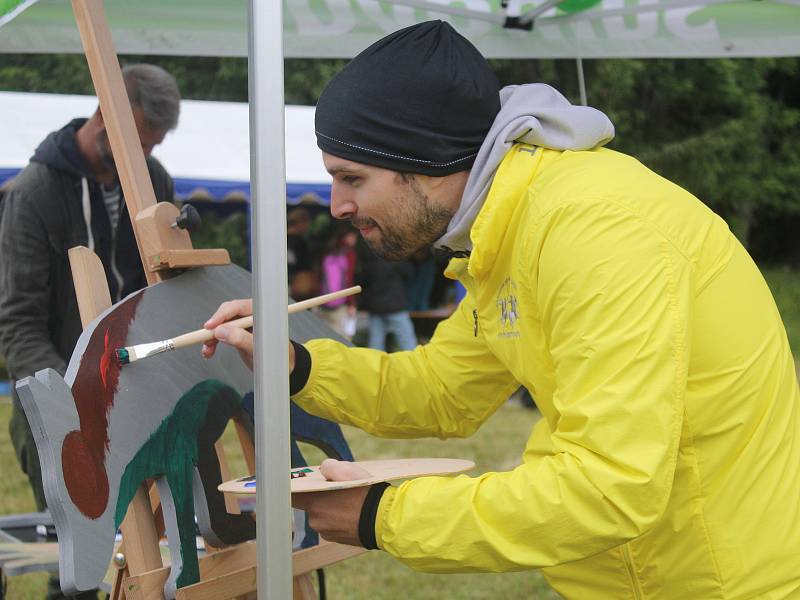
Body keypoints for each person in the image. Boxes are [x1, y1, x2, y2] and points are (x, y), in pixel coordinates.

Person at [202, 21, 800, 599]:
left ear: (425, 159)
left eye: (351, 177)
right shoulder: (512, 230)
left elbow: (610, 488)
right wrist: (293, 364)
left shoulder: (595, 231)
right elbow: (442, 390)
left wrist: (381, 516)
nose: (336, 205)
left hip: (717, 584)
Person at [0, 64, 179, 600]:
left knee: (161, 553)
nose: (142, 156)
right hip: (61, 411)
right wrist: (75, 399)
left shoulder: (153, 180)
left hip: (145, 400)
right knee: (78, 566)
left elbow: (168, 289)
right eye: (137, 141)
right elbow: (18, 322)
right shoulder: (34, 194)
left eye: (152, 145)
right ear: (105, 116)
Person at [357, 239, 418, 351]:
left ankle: (374, 367)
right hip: (394, 305)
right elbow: (409, 272)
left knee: (375, 343)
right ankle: (418, 367)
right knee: (407, 341)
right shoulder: (395, 258)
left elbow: (362, 281)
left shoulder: (368, 259)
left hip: (375, 305)